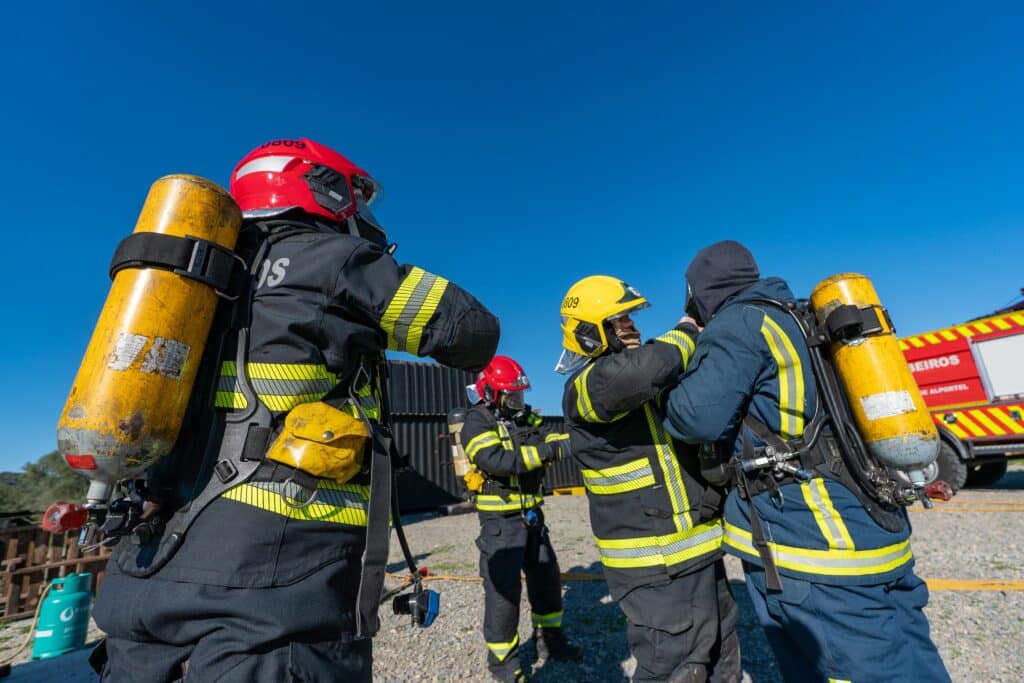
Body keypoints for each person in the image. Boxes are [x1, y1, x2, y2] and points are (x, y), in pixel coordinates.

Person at [91, 138, 500, 682]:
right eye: (357, 196)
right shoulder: (332, 259)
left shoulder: (191, 282)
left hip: (145, 579)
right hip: (271, 586)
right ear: (324, 190)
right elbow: (472, 334)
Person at [663, 240, 950, 682]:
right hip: (875, 528)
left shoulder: (739, 323)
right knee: (913, 660)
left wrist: (676, 370)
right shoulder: (805, 317)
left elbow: (695, 419)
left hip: (815, 548)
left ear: (700, 294)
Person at [557, 275, 740, 683]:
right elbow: (650, 368)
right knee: (674, 667)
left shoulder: (635, 388)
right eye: (621, 320)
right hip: (654, 566)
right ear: (590, 332)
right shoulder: (588, 387)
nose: (632, 326)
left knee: (721, 652)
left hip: (696, 551)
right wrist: (688, 329)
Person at [459, 355, 582, 683]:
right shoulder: (476, 422)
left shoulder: (524, 416)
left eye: (520, 394)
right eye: (511, 395)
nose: (518, 401)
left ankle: (551, 641)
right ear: (491, 393)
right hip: (501, 521)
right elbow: (496, 460)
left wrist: (571, 442)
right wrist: (545, 453)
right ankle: (503, 664)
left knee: (547, 578)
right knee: (504, 592)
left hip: (532, 516)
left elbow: (547, 436)